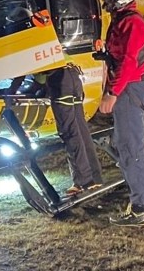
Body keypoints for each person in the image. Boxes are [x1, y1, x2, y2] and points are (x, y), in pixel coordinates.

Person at [97, 0, 144, 227]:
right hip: (131, 88)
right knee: (129, 148)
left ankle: (140, 209)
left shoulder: (132, 23)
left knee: (132, 150)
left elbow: (129, 62)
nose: (104, 0)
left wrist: (112, 93)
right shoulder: (123, 20)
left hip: (130, 90)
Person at [45, 62, 104, 196]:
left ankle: (83, 181)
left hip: (59, 80)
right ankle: (95, 177)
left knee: (70, 133)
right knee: (82, 131)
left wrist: (12, 89)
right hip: (73, 76)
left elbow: (35, 76)